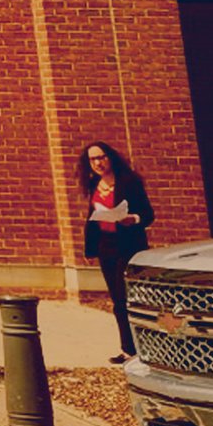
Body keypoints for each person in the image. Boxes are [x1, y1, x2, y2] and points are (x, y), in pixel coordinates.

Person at [78, 140, 152, 364]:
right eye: (93, 159)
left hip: (127, 244)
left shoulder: (128, 181)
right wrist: (90, 248)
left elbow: (148, 213)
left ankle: (142, 346)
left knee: (127, 297)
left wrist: (134, 219)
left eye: (101, 157)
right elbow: (92, 218)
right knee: (116, 299)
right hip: (106, 246)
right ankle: (127, 348)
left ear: (110, 157)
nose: (98, 163)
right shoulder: (94, 185)